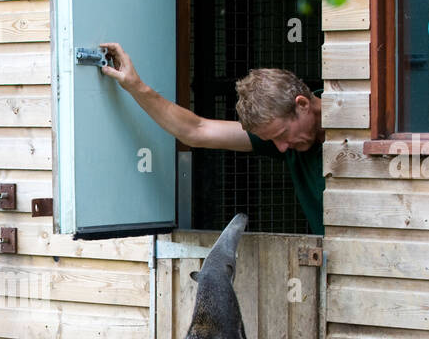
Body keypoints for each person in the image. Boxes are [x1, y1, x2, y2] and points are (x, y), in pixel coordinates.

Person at [99, 43, 325, 235]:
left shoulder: (356, 111)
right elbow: (196, 130)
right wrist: (136, 86)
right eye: (273, 140)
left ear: (302, 104)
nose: (282, 148)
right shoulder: (290, 140)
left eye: (282, 135)